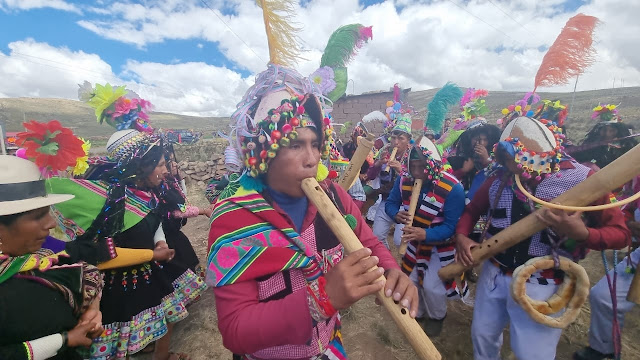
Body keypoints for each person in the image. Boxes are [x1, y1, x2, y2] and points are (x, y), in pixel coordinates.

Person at [206, 73, 419, 358]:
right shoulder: (233, 220)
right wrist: (322, 298)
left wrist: (392, 270)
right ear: (264, 153)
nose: (311, 159)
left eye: (315, 144)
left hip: (328, 346)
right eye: (295, 145)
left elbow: (370, 244)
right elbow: (234, 330)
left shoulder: (333, 196)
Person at [454, 116, 631, 360]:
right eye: (504, 158)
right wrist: (462, 236)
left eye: (514, 158)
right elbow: (472, 210)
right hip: (494, 273)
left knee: (532, 353)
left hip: (543, 282)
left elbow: (621, 234)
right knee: (483, 336)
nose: (509, 165)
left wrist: (583, 234)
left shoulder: (583, 180)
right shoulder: (499, 175)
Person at [0, 155, 104, 360]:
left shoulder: (36, 260)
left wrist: (92, 309)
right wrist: (64, 340)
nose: (51, 223)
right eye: (38, 216)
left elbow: (87, 273)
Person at [385, 137, 466, 336]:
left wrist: (426, 234)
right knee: (411, 279)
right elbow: (390, 203)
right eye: (412, 166)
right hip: (413, 244)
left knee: (432, 286)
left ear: (433, 165)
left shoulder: (453, 187)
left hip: (441, 246)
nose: (417, 172)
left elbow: (451, 226)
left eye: (422, 166)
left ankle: (437, 317)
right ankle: (418, 313)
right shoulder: (404, 179)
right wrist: (396, 214)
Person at [367, 114, 413, 248]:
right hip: (386, 200)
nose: (396, 142)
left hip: (406, 204)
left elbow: (418, 182)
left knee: (400, 241)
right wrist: (378, 164)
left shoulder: (414, 155)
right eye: (393, 137)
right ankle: (387, 263)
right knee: (377, 237)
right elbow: (370, 176)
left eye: (401, 138)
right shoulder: (384, 150)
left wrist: (401, 171)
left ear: (408, 140)